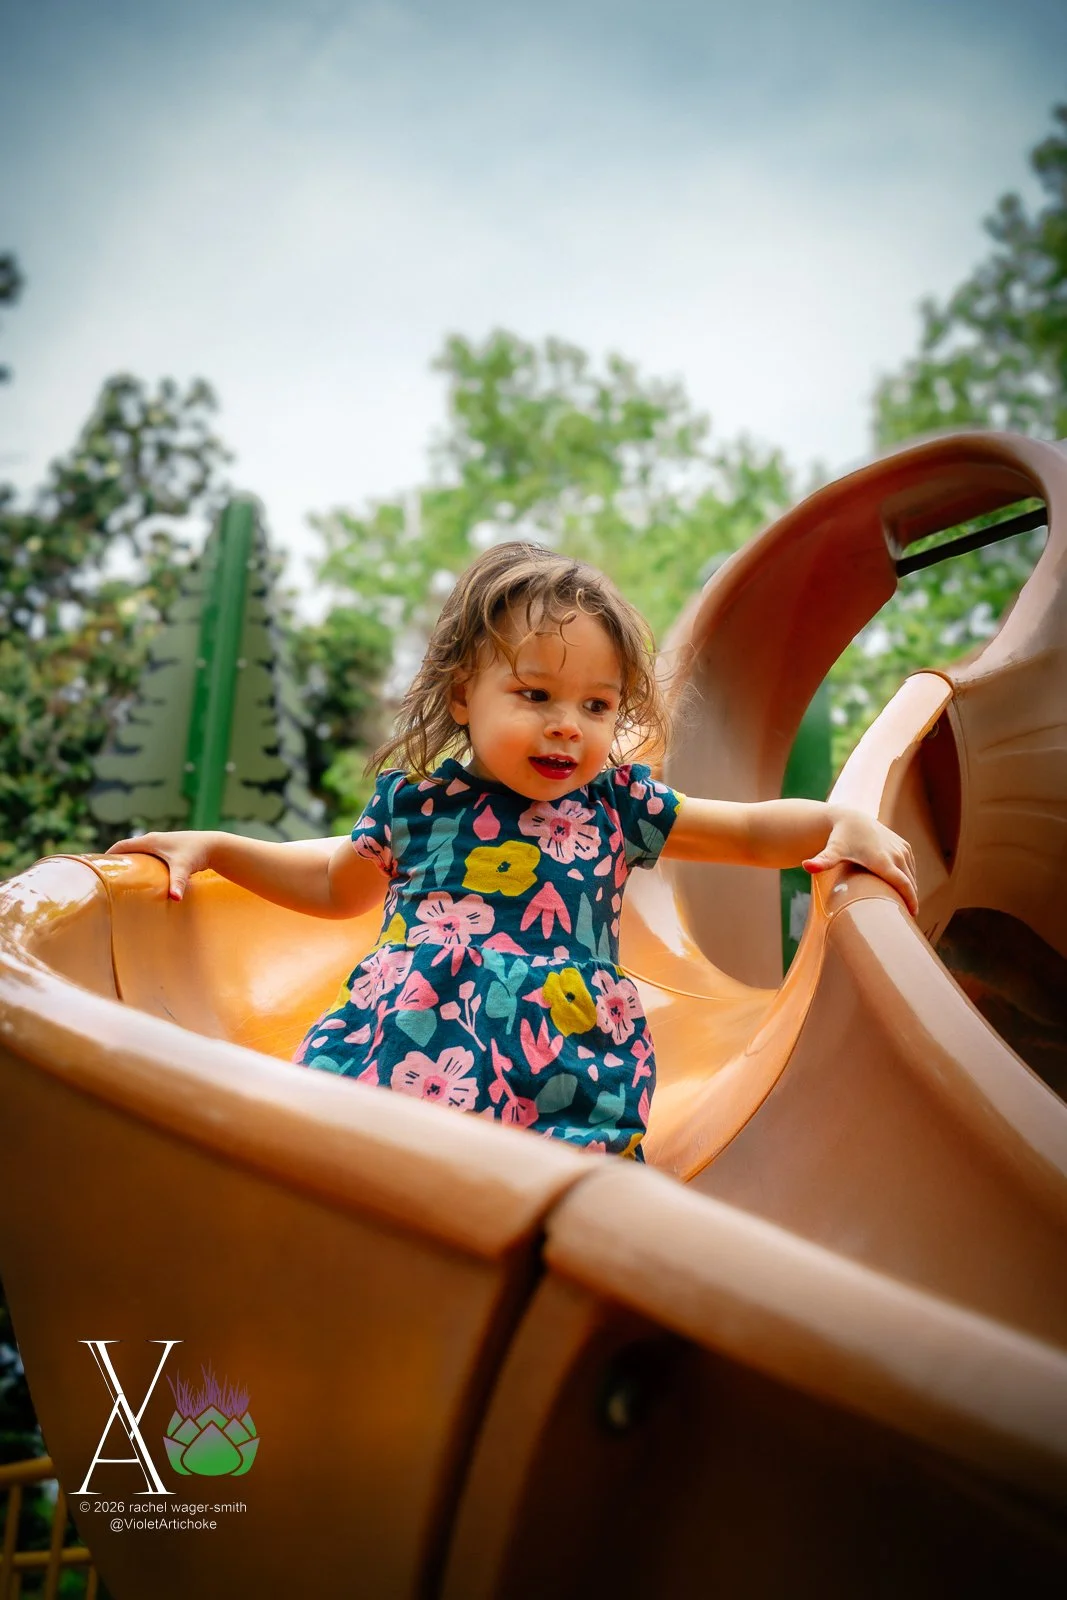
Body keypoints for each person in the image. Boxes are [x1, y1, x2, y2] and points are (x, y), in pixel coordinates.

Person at [107, 543, 918, 1161]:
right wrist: (220, 849)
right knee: (348, 1158)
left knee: (576, 1191)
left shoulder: (616, 805)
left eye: (596, 705)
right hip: (410, 1050)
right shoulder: (415, 806)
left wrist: (832, 824)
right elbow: (330, 882)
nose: (566, 725)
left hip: (560, 1065)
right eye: (535, 695)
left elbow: (740, 831)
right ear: (463, 693)